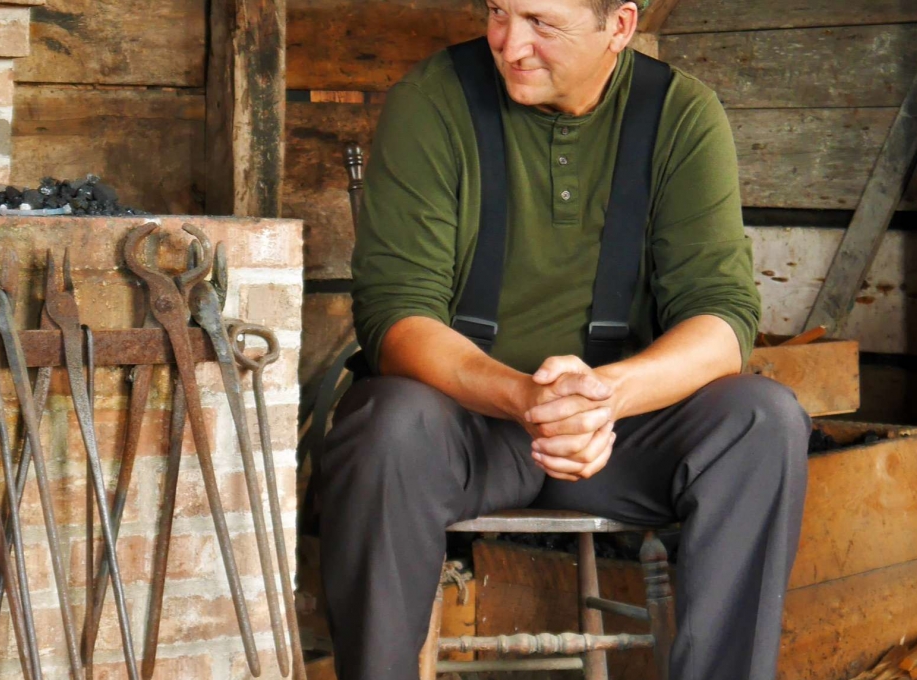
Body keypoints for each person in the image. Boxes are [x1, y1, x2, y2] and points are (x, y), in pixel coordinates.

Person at [312, 0, 810, 678]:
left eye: (542, 23)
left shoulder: (680, 115)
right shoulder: (433, 101)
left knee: (764, 419)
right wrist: (520, 395)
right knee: (385, 426)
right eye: (497, 11)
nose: (509, 44)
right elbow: (396, 317)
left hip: (623, 434)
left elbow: (722, 319)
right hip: (467, 426)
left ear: (621, 27)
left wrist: (607, 396)